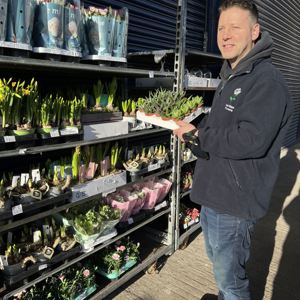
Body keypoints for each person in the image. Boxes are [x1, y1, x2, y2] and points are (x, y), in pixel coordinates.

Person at [174, 0, 292, 299]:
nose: (225, 35)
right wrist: (196, 137)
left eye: (235, 27)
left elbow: (250, 139)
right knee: (220, 265)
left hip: (235, 203)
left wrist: (200, 134)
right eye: (221, 28)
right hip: (216, 193)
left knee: (231, 280)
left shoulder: (266, 81)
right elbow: (223, 129)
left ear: (255, 31)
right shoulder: (233, 74)